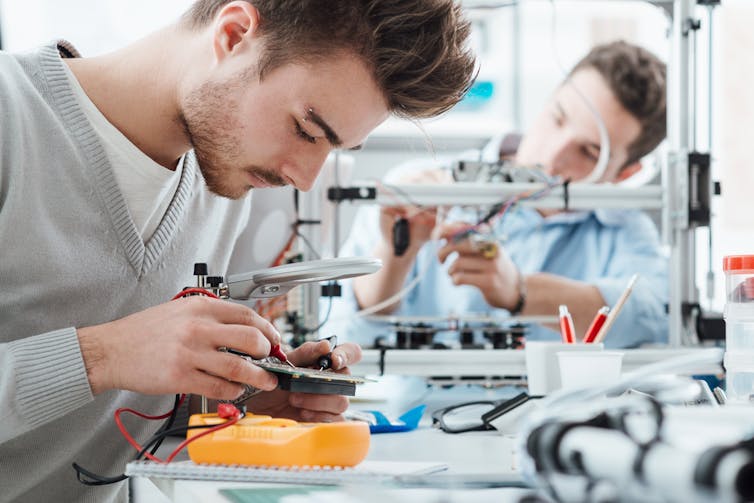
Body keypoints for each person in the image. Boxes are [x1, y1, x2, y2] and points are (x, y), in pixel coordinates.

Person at [0, 1, 476, 501]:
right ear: (233, 34)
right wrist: (103, 354)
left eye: (333, 150)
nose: (305, 178)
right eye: (306, 130)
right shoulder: (11, 116)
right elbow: (110, 364)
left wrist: (243, 399)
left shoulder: (217, 180)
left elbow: (105, 425)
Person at [326, 40, 668, 349]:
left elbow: (653, 319)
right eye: (558, 119)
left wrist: (519, 291)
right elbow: (341, 334)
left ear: (625, 174)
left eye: (590, 152)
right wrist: (396, 254)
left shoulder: (625, 231)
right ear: (546, 100)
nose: (551, 156)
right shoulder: (416, 187)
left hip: (554, 418)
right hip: (421, 415)